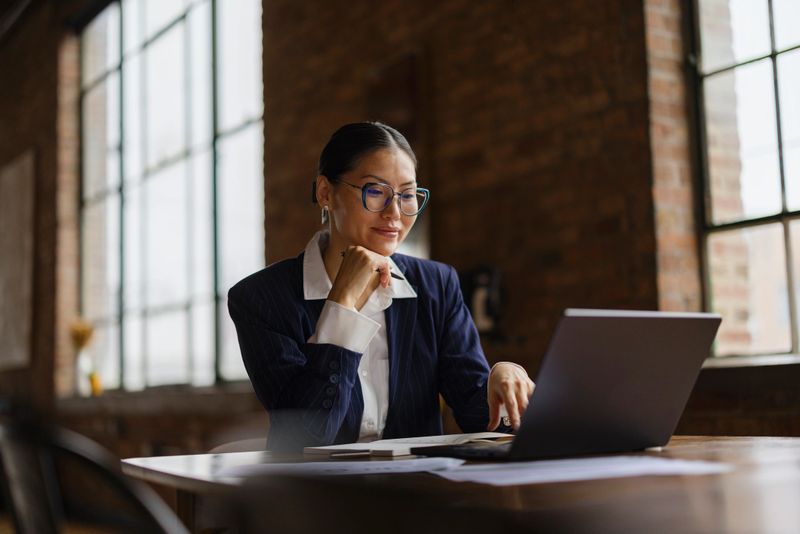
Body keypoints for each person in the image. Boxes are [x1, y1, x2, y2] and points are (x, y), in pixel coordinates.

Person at [228, 121, 534, 451]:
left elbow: (478, 416)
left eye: (407, 195)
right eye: (375, 191)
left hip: (417, 491)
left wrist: (501, 378)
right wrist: (342, 305)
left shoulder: (437, 286)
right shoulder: (261, 299)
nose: (395, 213)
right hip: (314, 497)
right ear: (325, 193)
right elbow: (306, 435)